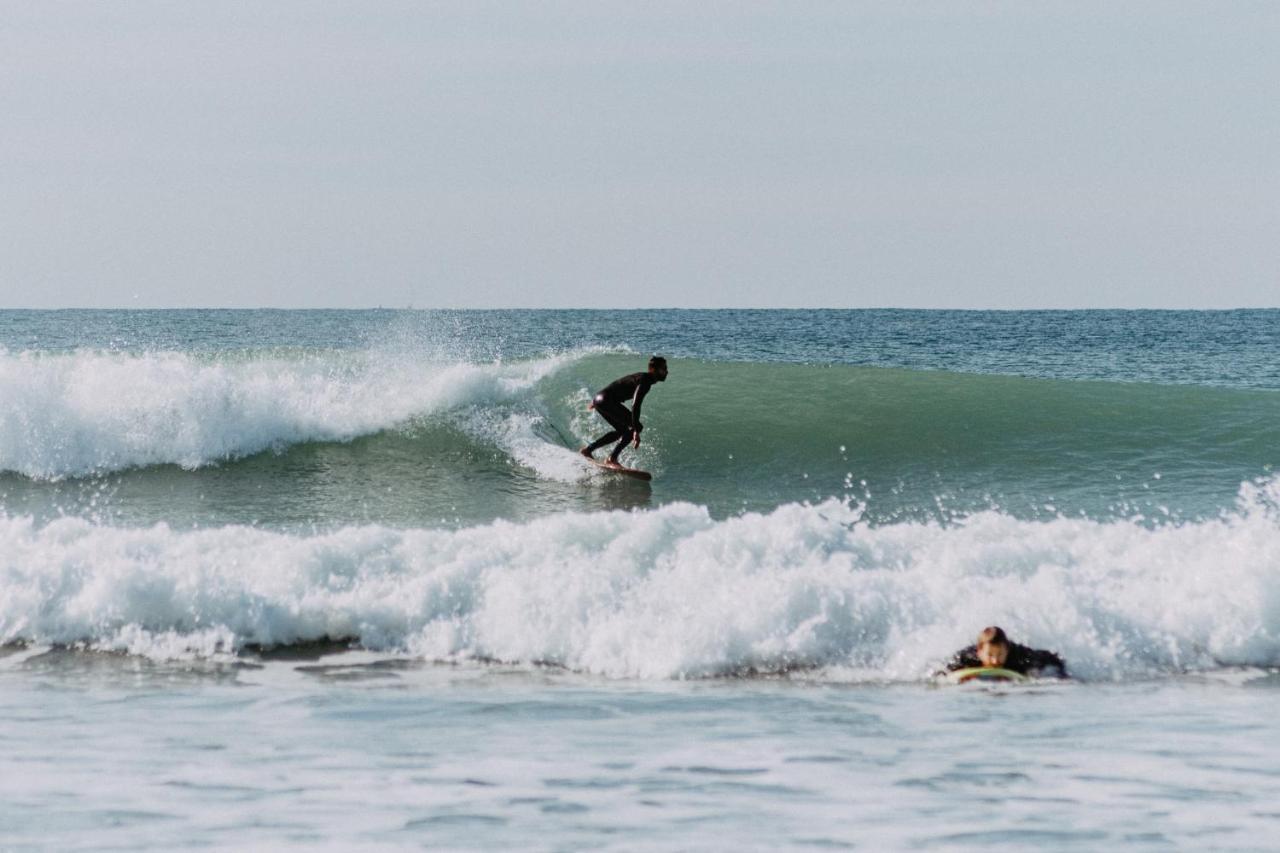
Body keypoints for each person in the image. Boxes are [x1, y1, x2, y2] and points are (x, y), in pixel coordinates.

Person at [579, 356, 668, 467]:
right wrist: (636, 430)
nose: (666, 371)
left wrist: (597, 401)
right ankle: (612, 458)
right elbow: (636, 404)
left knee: (622, 430)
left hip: (601, 399)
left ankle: (588, 450)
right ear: (653, 370)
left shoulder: (641, 377)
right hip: (606, 400)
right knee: (637, 427)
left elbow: (618, 384)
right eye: (663, 368)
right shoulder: (645, 381)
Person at [941, 626, 1068, 678]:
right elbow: (942, 670)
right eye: (990, 655)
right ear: (979, 652)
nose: (995, 661)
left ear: (1006, 650)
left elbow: (1052, 659)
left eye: (1000, 655)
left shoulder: (1019, 657)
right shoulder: (967, 657)